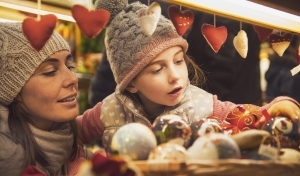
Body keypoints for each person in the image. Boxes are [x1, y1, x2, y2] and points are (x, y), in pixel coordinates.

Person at [77, 0, 300, 154]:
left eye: (178, 61)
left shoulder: (202, 104)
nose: (176, 77)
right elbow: (70, 136)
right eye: (157, 70)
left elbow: (245, 117)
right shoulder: (109, 111)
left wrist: (274, 107)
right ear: (131, 82)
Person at [88, 0, 263, 107]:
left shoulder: (234, 12)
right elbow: (114, 69)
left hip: (216, 126)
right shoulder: (147, 8)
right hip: (142, 128)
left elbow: (237, 81)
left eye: (178, 61)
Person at [0, 22, 90, 176]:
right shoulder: (7, 161)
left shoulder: (71, 143)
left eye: (70, 67)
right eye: (50, 71)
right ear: (12, 89)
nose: (73, 79)